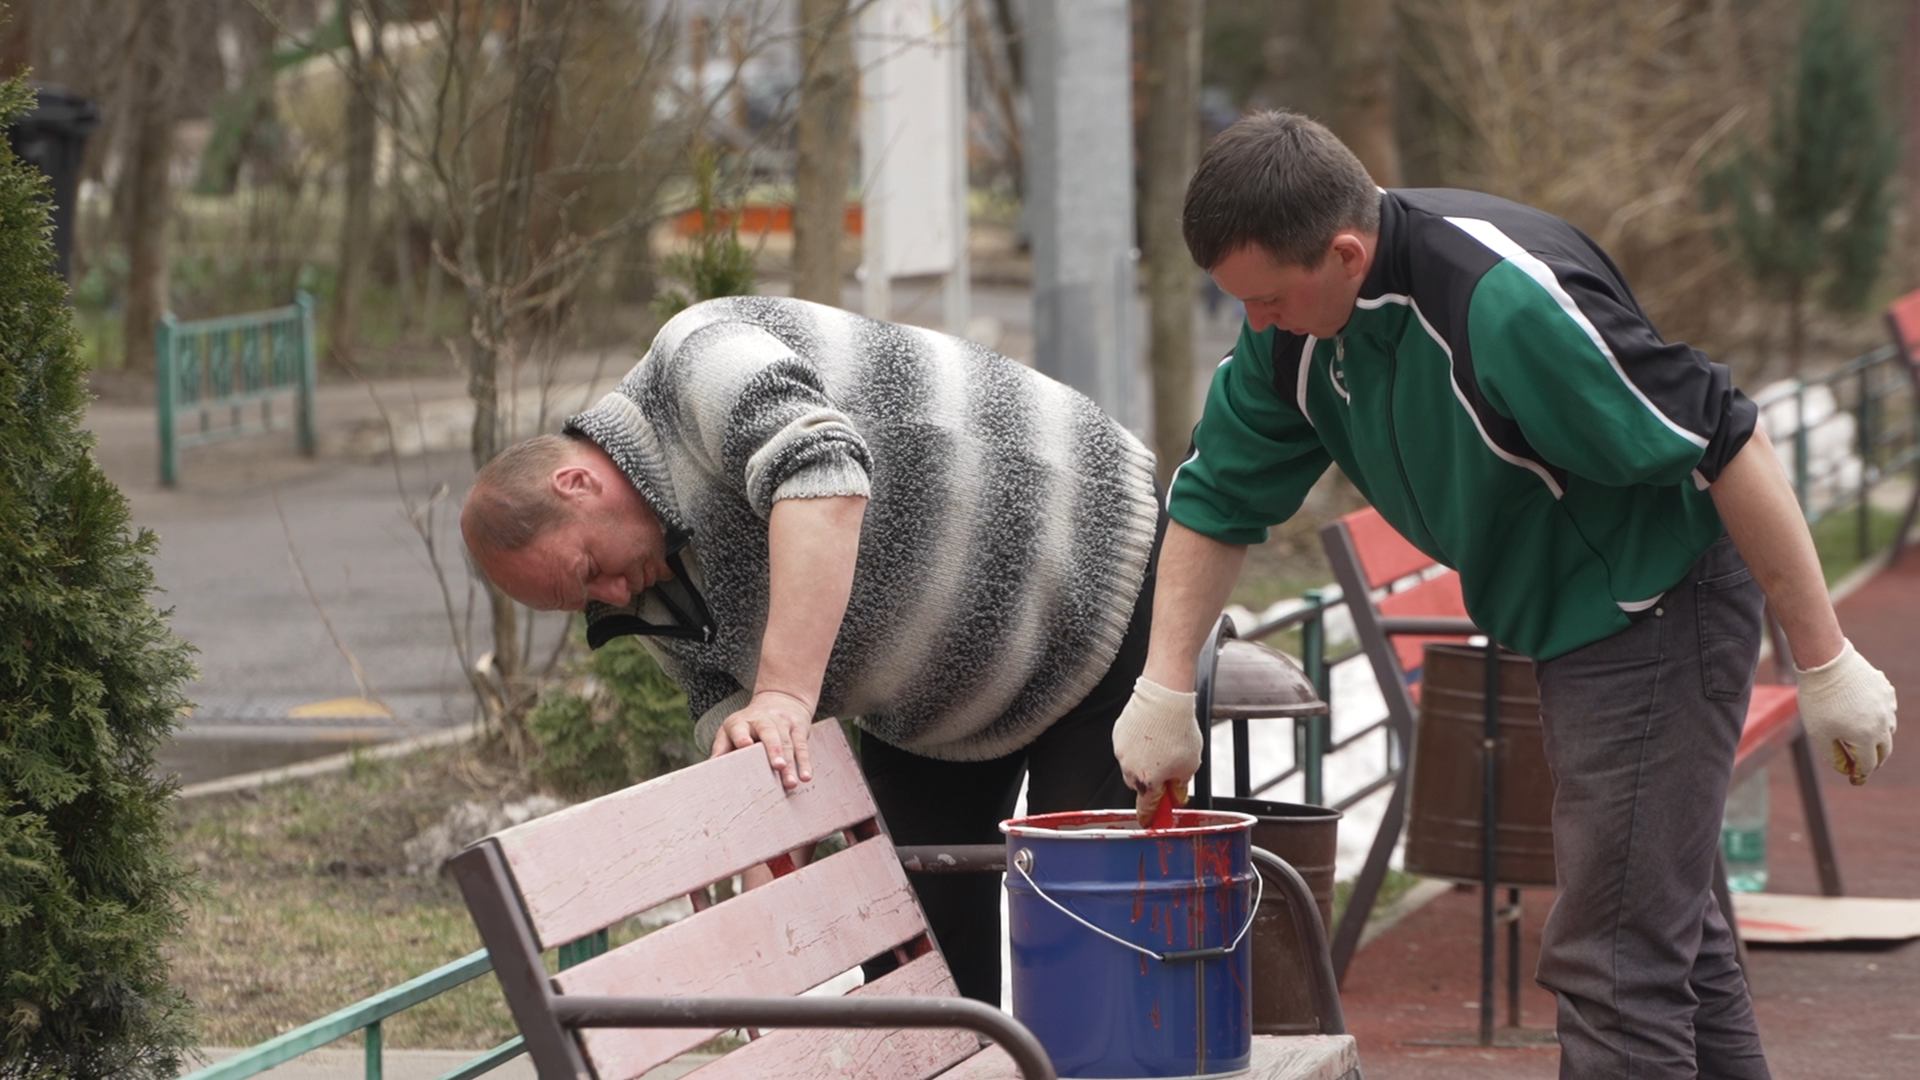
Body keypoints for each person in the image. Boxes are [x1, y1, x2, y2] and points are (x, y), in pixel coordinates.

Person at [1110, 111, 1899, 1079]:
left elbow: (1727, 438)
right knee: (1667, 941)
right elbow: (1215, 497)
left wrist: (1823, 661)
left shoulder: (1503, 305)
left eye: (1269, 299)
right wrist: (1163, 689)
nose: (1257, 322)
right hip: (1560, 620)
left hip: (1653, 603)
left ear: (1346, 253)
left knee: (1612, 963)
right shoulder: (1293, 337)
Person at [461, 294, 1163, 1005]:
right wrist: (763, 853)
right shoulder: (641, 586)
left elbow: (822, 471)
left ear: (577, 484)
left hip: (1089, 566)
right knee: (915, 951)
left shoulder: (697, 358)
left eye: (589, 570)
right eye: (585, 600)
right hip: (934, 704)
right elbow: (727, 707)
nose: (610, 596)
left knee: (1080, 927)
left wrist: (785, 695)